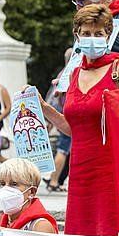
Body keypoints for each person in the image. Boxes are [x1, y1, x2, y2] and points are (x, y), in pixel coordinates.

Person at [42, 5, 119, 236]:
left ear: (109, 36)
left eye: (98, 34)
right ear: (77, 35)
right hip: (80, 174)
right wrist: (44, 108)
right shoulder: (75, 74)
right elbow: (73, 128)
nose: (92, 38)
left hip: (113, 173)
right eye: (86, 33)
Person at [46, 46, 73, 191]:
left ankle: (54, 179)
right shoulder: (69, 74)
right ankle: (54, 180)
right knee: (63, 150)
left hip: (62, 116)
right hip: (67, 118)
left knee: (63, 149)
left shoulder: (62, 73)